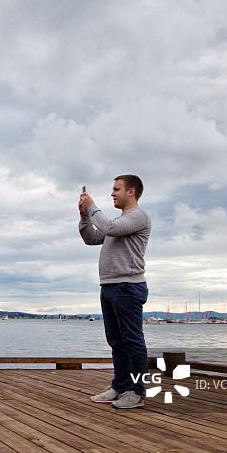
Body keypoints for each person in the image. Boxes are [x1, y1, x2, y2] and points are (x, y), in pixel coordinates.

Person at [79, 175, 151, 409]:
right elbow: (92, 238)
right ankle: (120, 386)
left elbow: (108, 227)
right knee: (116, 341)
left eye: (116, 189)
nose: (112, 193)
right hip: (109, 286)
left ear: (131, 191)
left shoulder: (138, 217)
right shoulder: (119, 223)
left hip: (128, 287)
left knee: (132, 341)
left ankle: (137, 392)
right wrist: (83, 215)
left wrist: (92, 207)